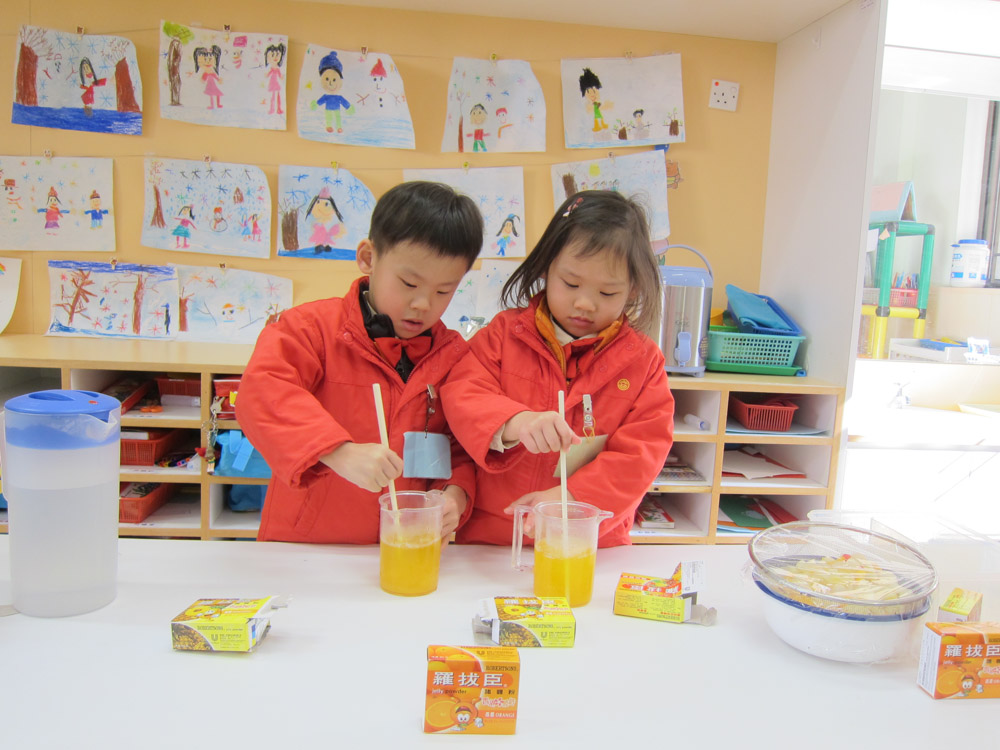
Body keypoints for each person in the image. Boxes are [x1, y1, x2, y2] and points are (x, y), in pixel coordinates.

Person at [236, 181, 484, 544]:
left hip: (403, 547)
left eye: (443, 291)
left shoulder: (453, 356)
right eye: (409, 283)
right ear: (368, 258)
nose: (423, 304)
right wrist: (338, 451)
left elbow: (460, 447)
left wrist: (455, 496)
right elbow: (262, 394)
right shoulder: (310, 329)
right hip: (305, 549)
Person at [440, 191, 674, 547]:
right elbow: (463, 393)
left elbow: (642, 454)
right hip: (495, 538)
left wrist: (573, 498)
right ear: (547, 268)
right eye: (571, 284)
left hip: (586, 543)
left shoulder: (644, 362)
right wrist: (516, 421)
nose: (585, 303)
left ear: (633, 290)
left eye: (607, 293)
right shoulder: (503, 335)